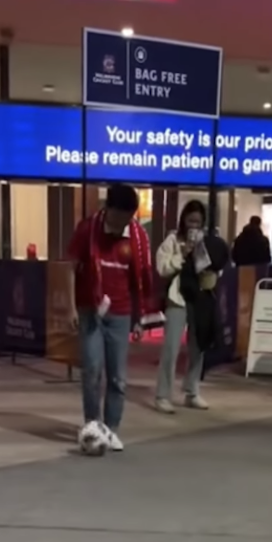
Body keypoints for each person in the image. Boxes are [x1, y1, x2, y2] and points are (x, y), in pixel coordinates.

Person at [67, 183, 153, 451]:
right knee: (92, 370)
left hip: (121, 313)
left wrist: (140, 318)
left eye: (128, 217)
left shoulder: (138, 238)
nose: (122, 223)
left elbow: (140, 282)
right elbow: (70, 268)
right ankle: (93, 425)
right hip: (89, 309)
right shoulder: (87, 230)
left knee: (118, 377)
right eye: (118, 217)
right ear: (107, 209)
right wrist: (71, 307)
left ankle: (111, 428)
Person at [153, 201, 210, 414]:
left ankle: (192, 390)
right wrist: (182, 254)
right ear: (183, 220)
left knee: (198, 347)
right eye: (190, 220)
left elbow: (213, 269)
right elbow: (162, 268)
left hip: (199, 299)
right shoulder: (172, 240)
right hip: (177, 299)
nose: (193, 225)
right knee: (171, 348)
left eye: (198, 221)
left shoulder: (206, 242)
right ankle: (162, 395)